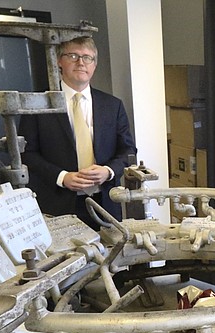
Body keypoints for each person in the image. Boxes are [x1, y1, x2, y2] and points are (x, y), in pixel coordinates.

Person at [19, 36, 136, 228]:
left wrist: (107, 171)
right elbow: (26, 154)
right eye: (73, 56)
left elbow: (128, 150)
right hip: (57, 204)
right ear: (59, 61)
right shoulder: (37, 105)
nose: (81, 62)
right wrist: (62, 177)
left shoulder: (112, 105)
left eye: (87, 57)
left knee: (111, 254)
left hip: (105, 204)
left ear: (94, 65)